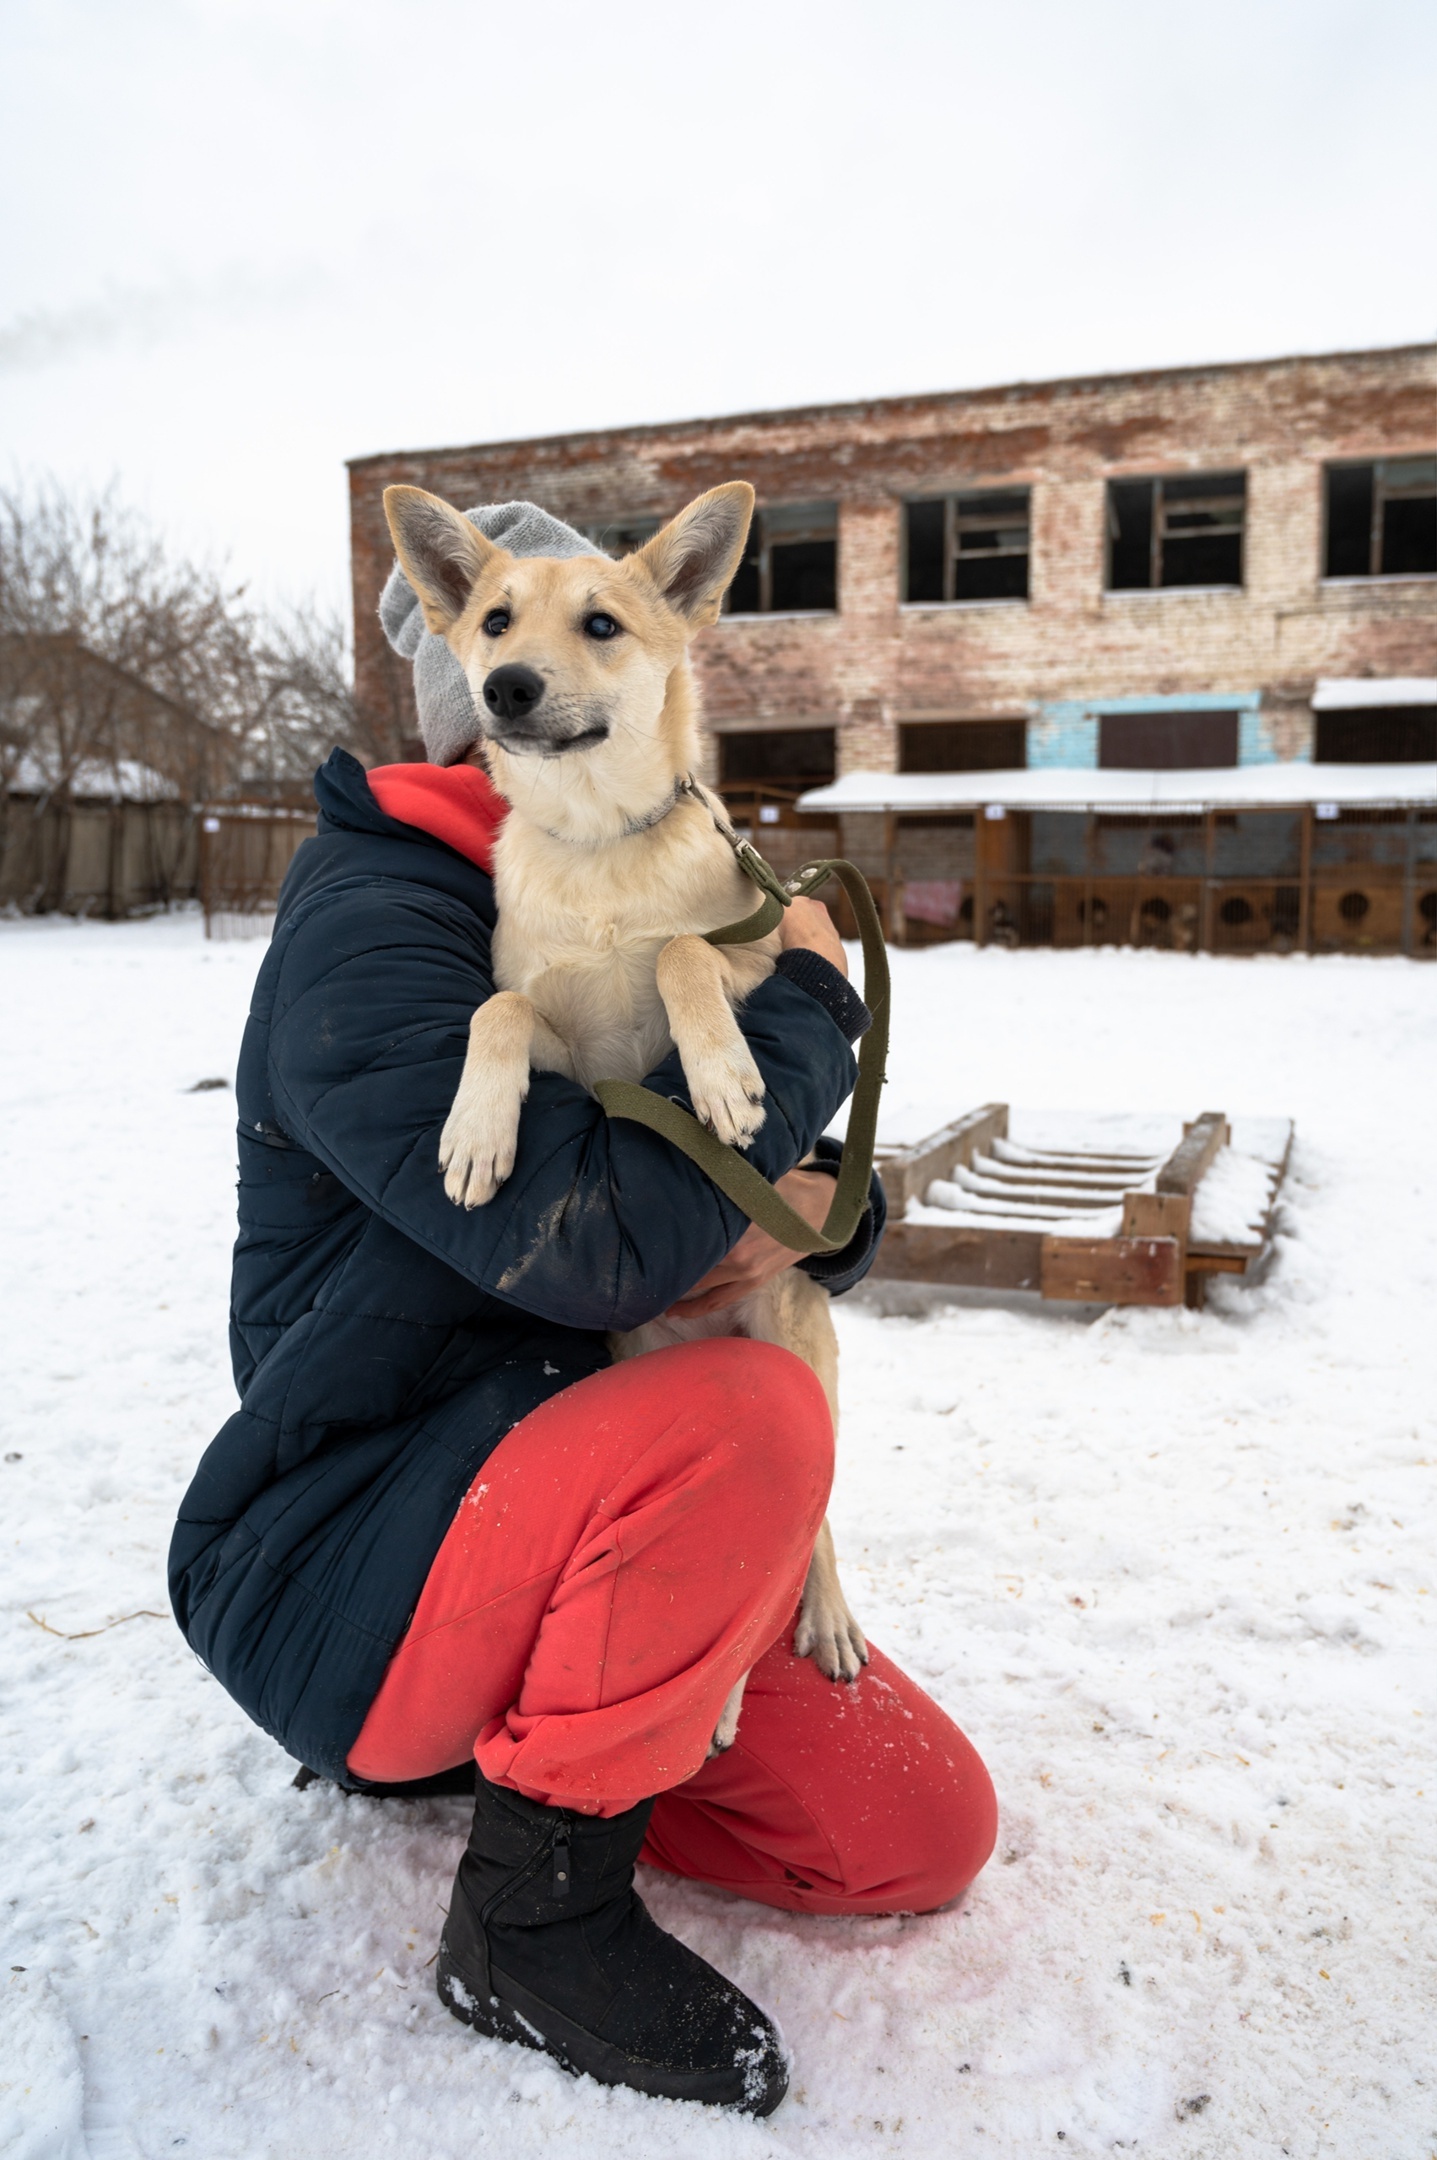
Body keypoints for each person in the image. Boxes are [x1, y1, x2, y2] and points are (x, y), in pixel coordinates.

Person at [169, 502, 997, 2118]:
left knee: (915, 1835)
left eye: (592, 629)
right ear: (463, 675)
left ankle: (549, 1747)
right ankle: (529, 1919)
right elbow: (599, 1249)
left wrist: (831, 1218)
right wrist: (819, 996)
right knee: (748, 1416)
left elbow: (751, 1181)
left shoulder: (652, 871)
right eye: (504, 632)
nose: (540, 659)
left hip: (597, 1529)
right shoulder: (379, 927)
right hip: (356, 1548)